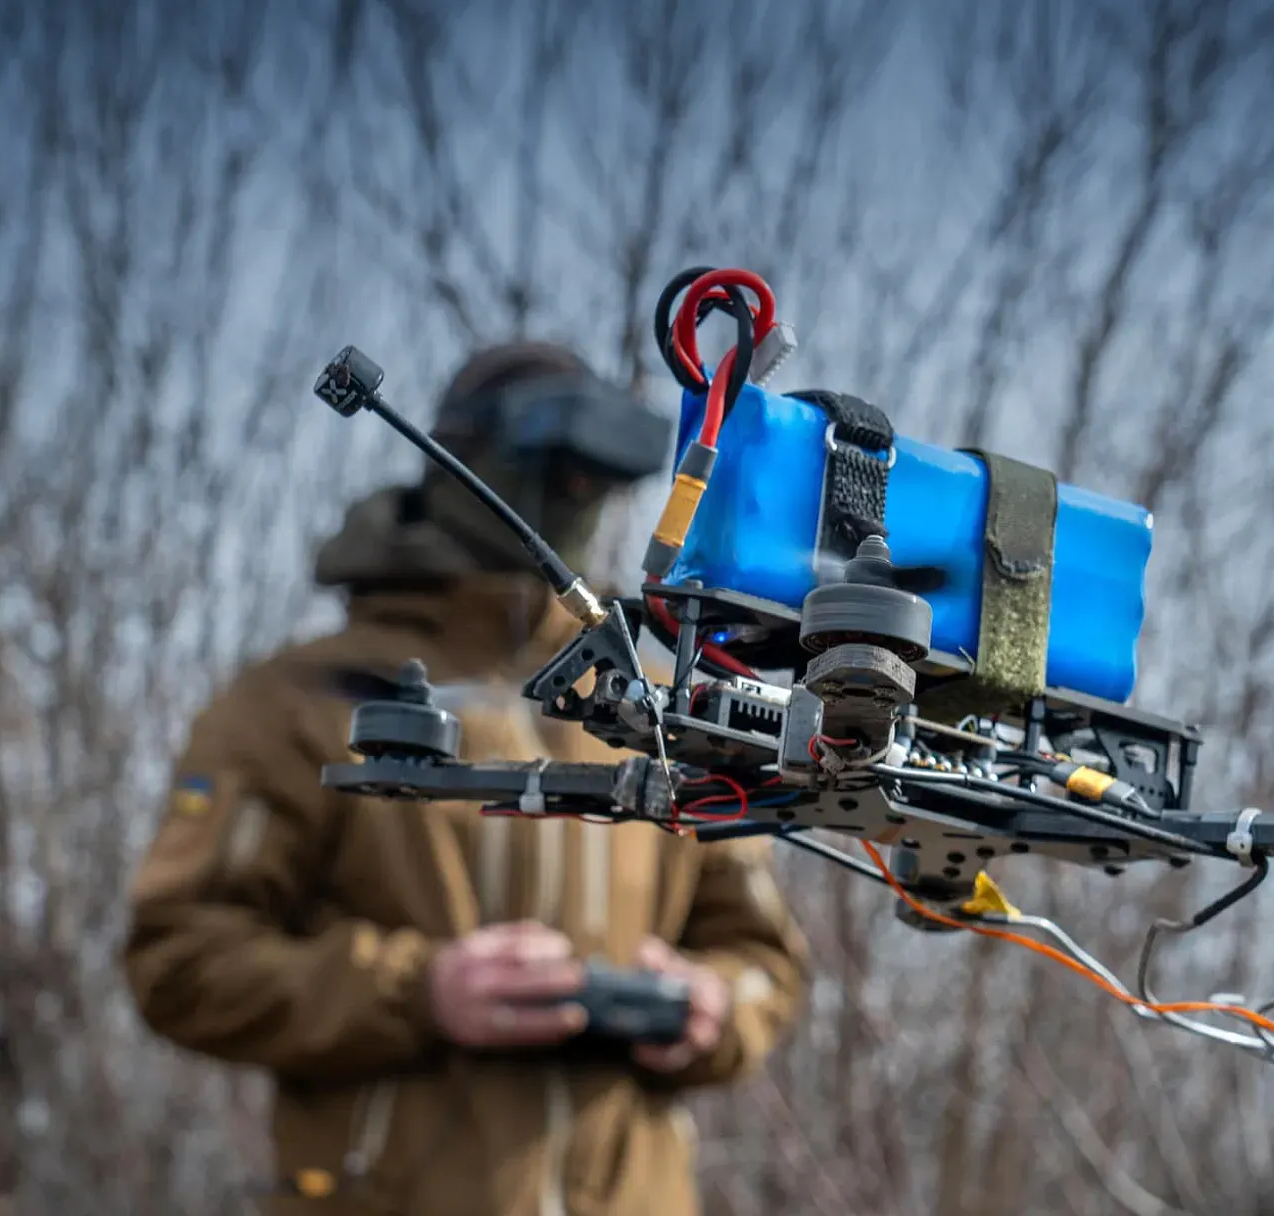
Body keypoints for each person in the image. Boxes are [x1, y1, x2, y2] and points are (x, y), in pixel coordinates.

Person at [122, 343, 810, 1216]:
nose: (574, 499)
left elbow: (764, 962)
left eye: (592, 480)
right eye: (552, 471)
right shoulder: (300, 700)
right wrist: (418, 992)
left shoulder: (654, 710)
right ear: (461, 458)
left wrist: (713, 1009)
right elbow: (179, 961)